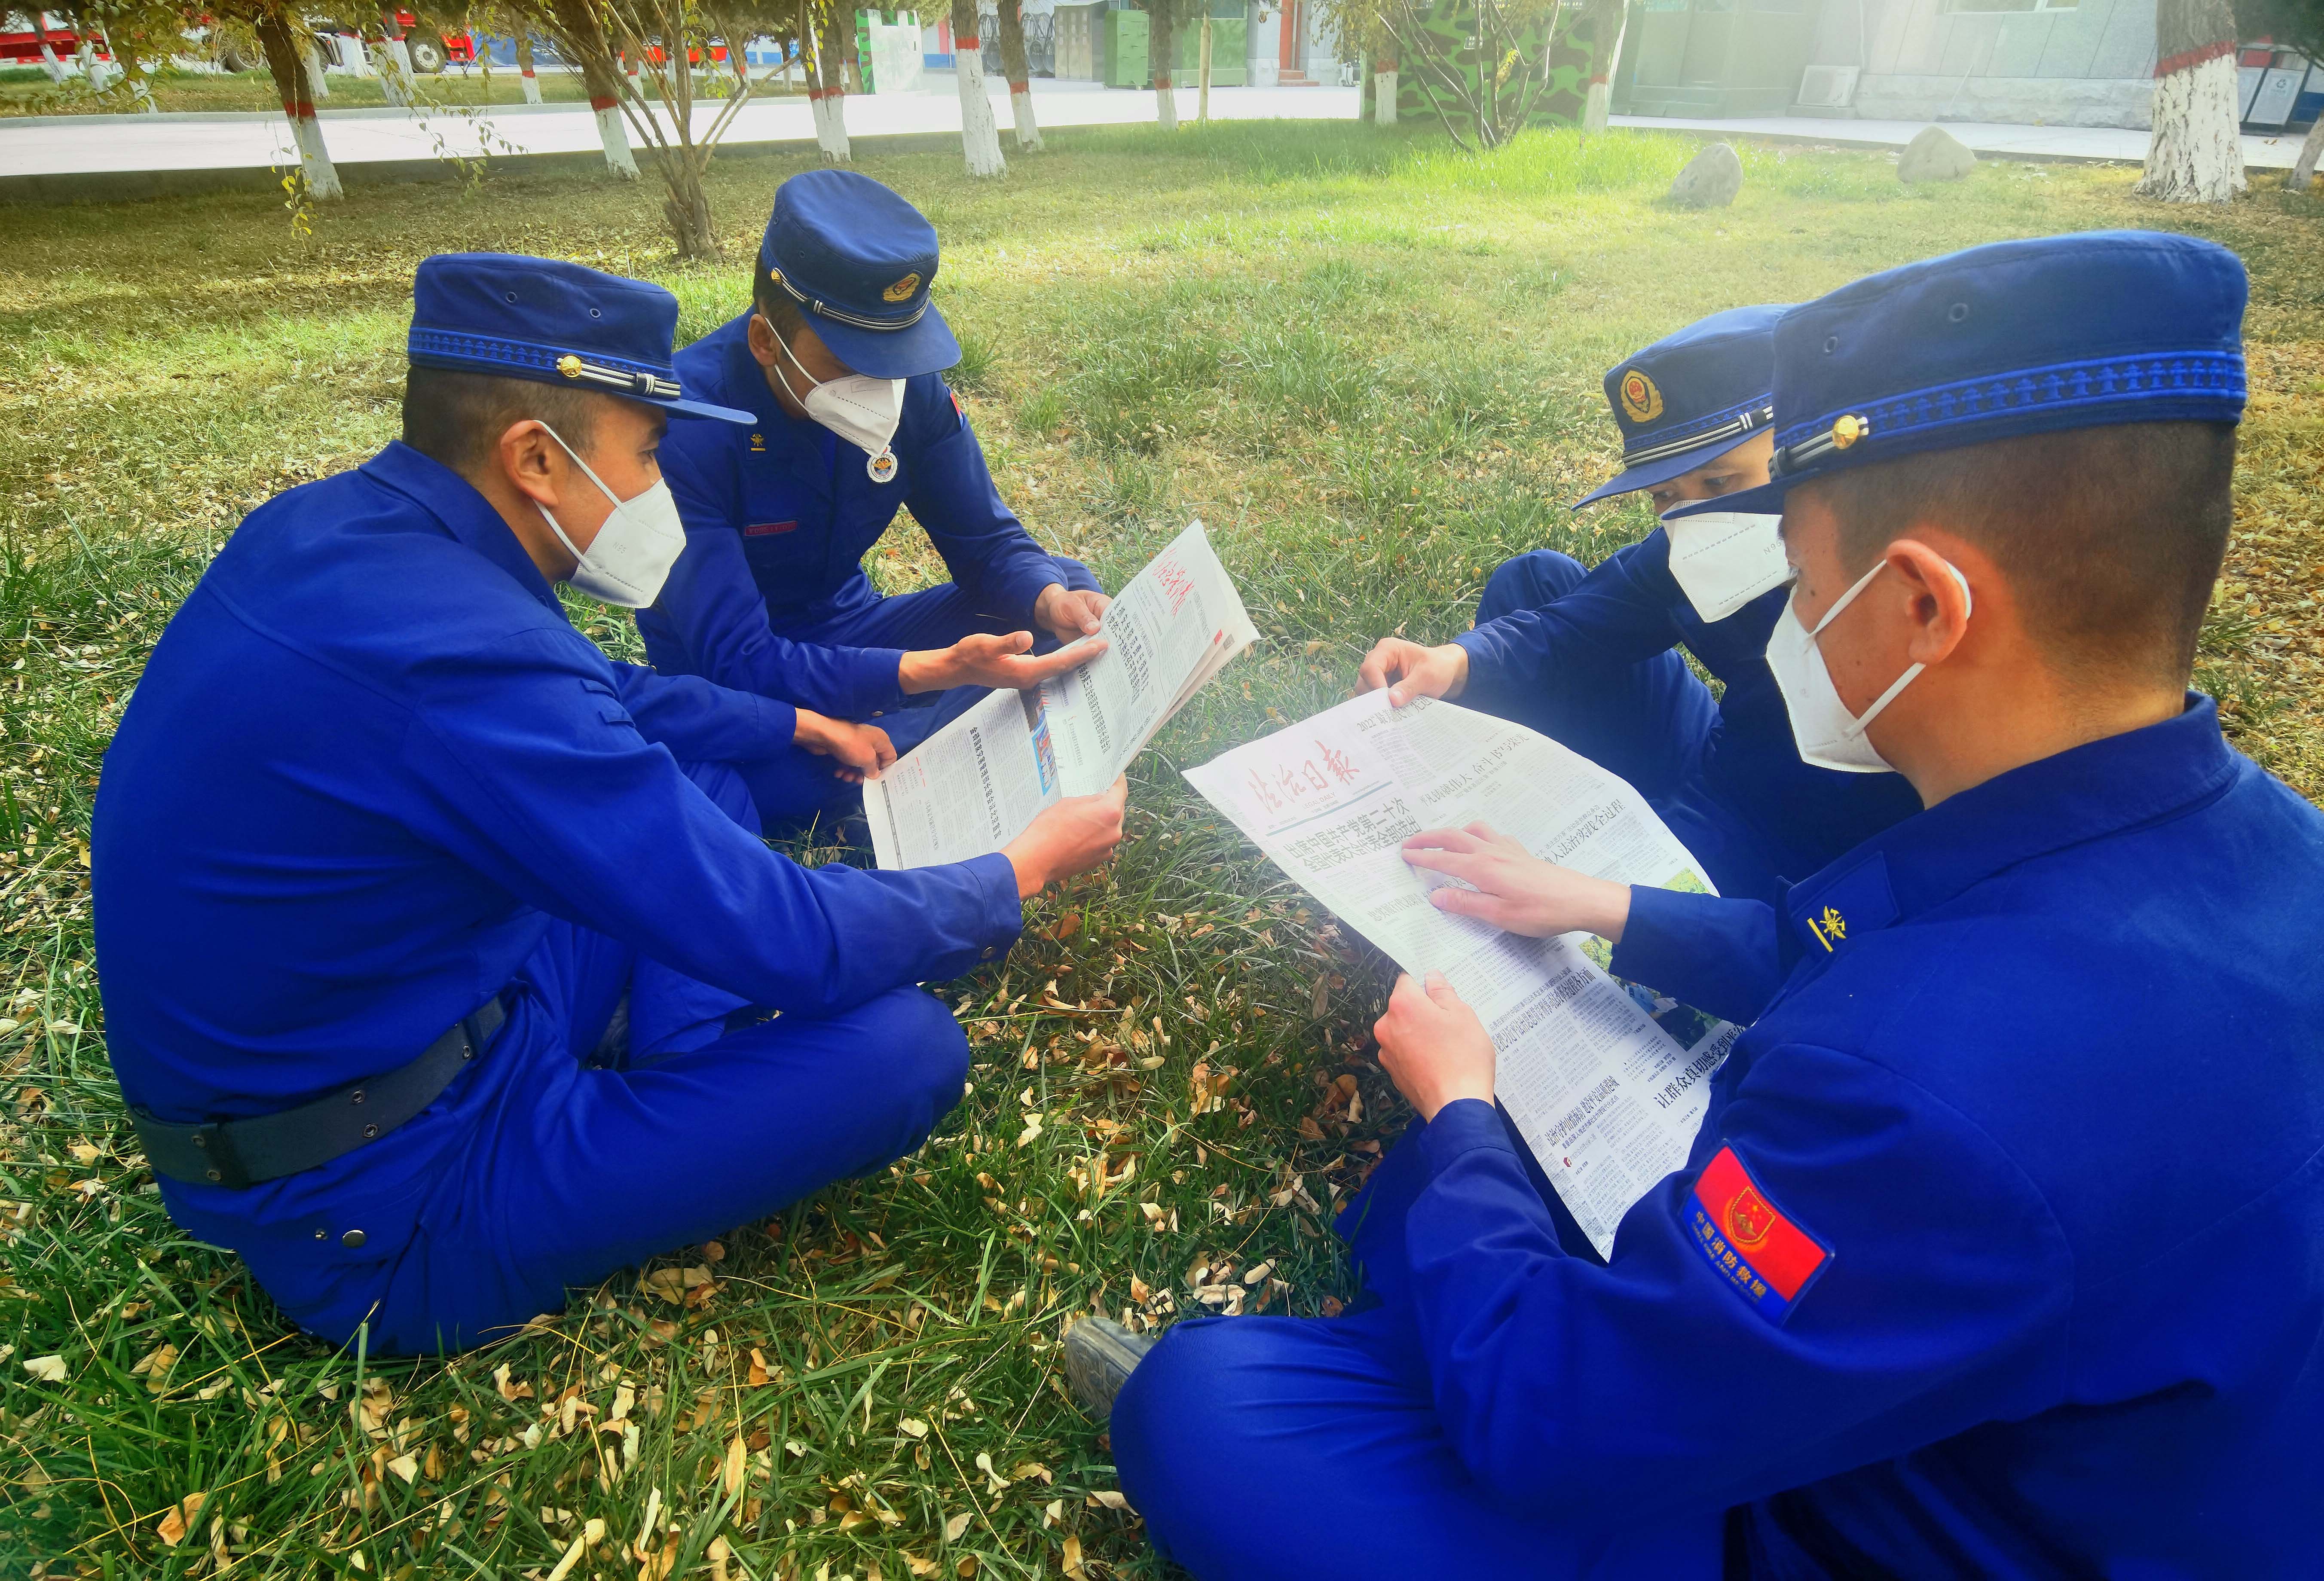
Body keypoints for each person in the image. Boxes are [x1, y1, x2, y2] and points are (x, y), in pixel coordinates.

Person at [1098, 232, 2324, 1578]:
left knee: (1210, 1410)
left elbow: (1554, 1423)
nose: (1785, 612)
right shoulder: (2258, 841)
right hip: (2069, 1434)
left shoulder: (1920, 1099)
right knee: (1460, 1232)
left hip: (1905, 1510)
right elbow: (1840, 942)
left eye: (1801, 579)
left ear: (1922, 603)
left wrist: (1457, 1114)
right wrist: (1606, 904)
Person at [91, 254, 1126, 1356]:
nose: (655, 486)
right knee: (907, 1051)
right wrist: (1015, 870)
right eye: (644, 452)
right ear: (536, 458)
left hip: (441, 1003)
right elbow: (791, 936)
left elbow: (605, 694)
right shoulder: (461, 659)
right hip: (384, 1190)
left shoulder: (332, 532)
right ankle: (694, 1073)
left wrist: (790, 724)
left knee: (706, 772)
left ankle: (692, 1050)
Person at [1356, 307, 1920, 903]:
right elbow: (1578, 621)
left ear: (1807, 448)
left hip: (1813, 846)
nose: (1692, 515)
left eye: (1720, 483)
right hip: (1731, 762)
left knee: (1603, 911)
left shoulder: (1893, 583)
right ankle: (1511, 798)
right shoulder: (1695, 543)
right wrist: (1457, 659)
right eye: (1665, 495)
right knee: (1536, 581)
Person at [645, 169, 1113, 824]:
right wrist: (929, 673)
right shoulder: (687, 428)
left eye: (894, 355)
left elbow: (986, 543)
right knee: (743, 788)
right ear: (765, 342)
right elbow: (741, 661)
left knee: (1056, 595)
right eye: (850, 359)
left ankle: (895, 746)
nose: (881, 382)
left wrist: (1047, 598)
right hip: (732, 679)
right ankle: (915, 744)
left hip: (854, 630)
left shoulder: (908, 387)